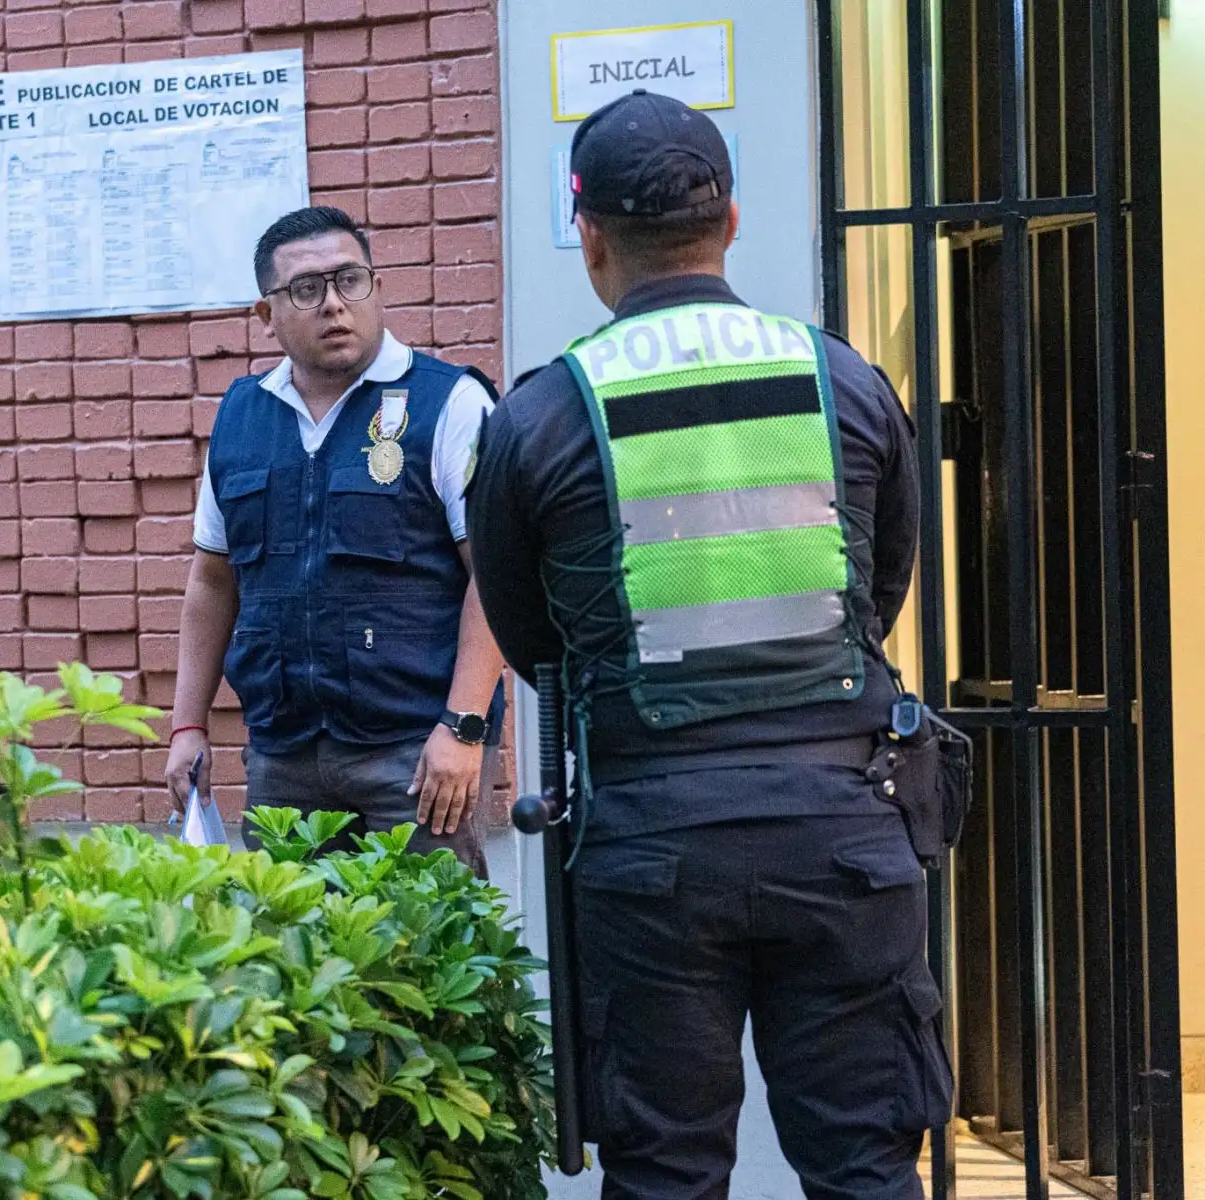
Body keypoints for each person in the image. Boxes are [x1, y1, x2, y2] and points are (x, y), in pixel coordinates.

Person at [466, 92, 948, 1198]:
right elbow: (879, 595)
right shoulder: (845, 381)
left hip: (650, 852)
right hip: (843, 833)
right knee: (867, 1163)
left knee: (666, 1171)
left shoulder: (542, 414)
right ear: (732, 220)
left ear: (587, 235)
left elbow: (533, 637)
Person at [164, 206, 507, 873]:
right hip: (283, 755)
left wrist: (464, 726)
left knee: (428, 959)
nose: (333, 304)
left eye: (350, 280)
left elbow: (494, 575)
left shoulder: (451, 404)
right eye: (306, 289)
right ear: (267, 314)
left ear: (376, 286)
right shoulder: (242, 416)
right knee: (294, 962)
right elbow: (212, 581)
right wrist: (187, 725)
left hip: (417, 752)